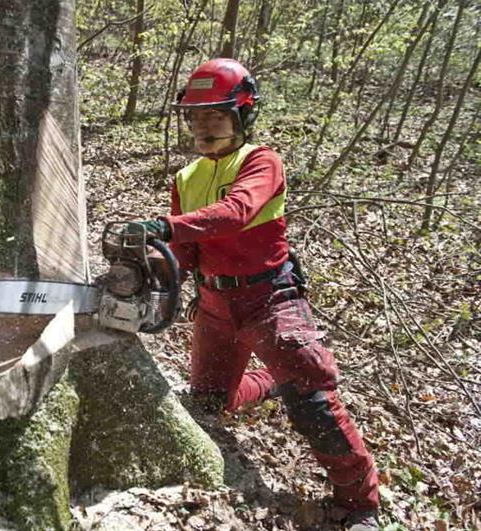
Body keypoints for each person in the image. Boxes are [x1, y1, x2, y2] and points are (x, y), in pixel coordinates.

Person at [132, 58, 380, 531]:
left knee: (311, 399)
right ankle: (270, 379)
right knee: (209, 402)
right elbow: (186, 250)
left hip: (269, 299)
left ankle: (360, 503)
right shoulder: (186, 178)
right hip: (215, 302)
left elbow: (237, 211)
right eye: (196, 117)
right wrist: (154, 270)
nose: (204, 127)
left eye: (215, 115)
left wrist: (163, 227)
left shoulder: (261, 162)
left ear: (242, 114)